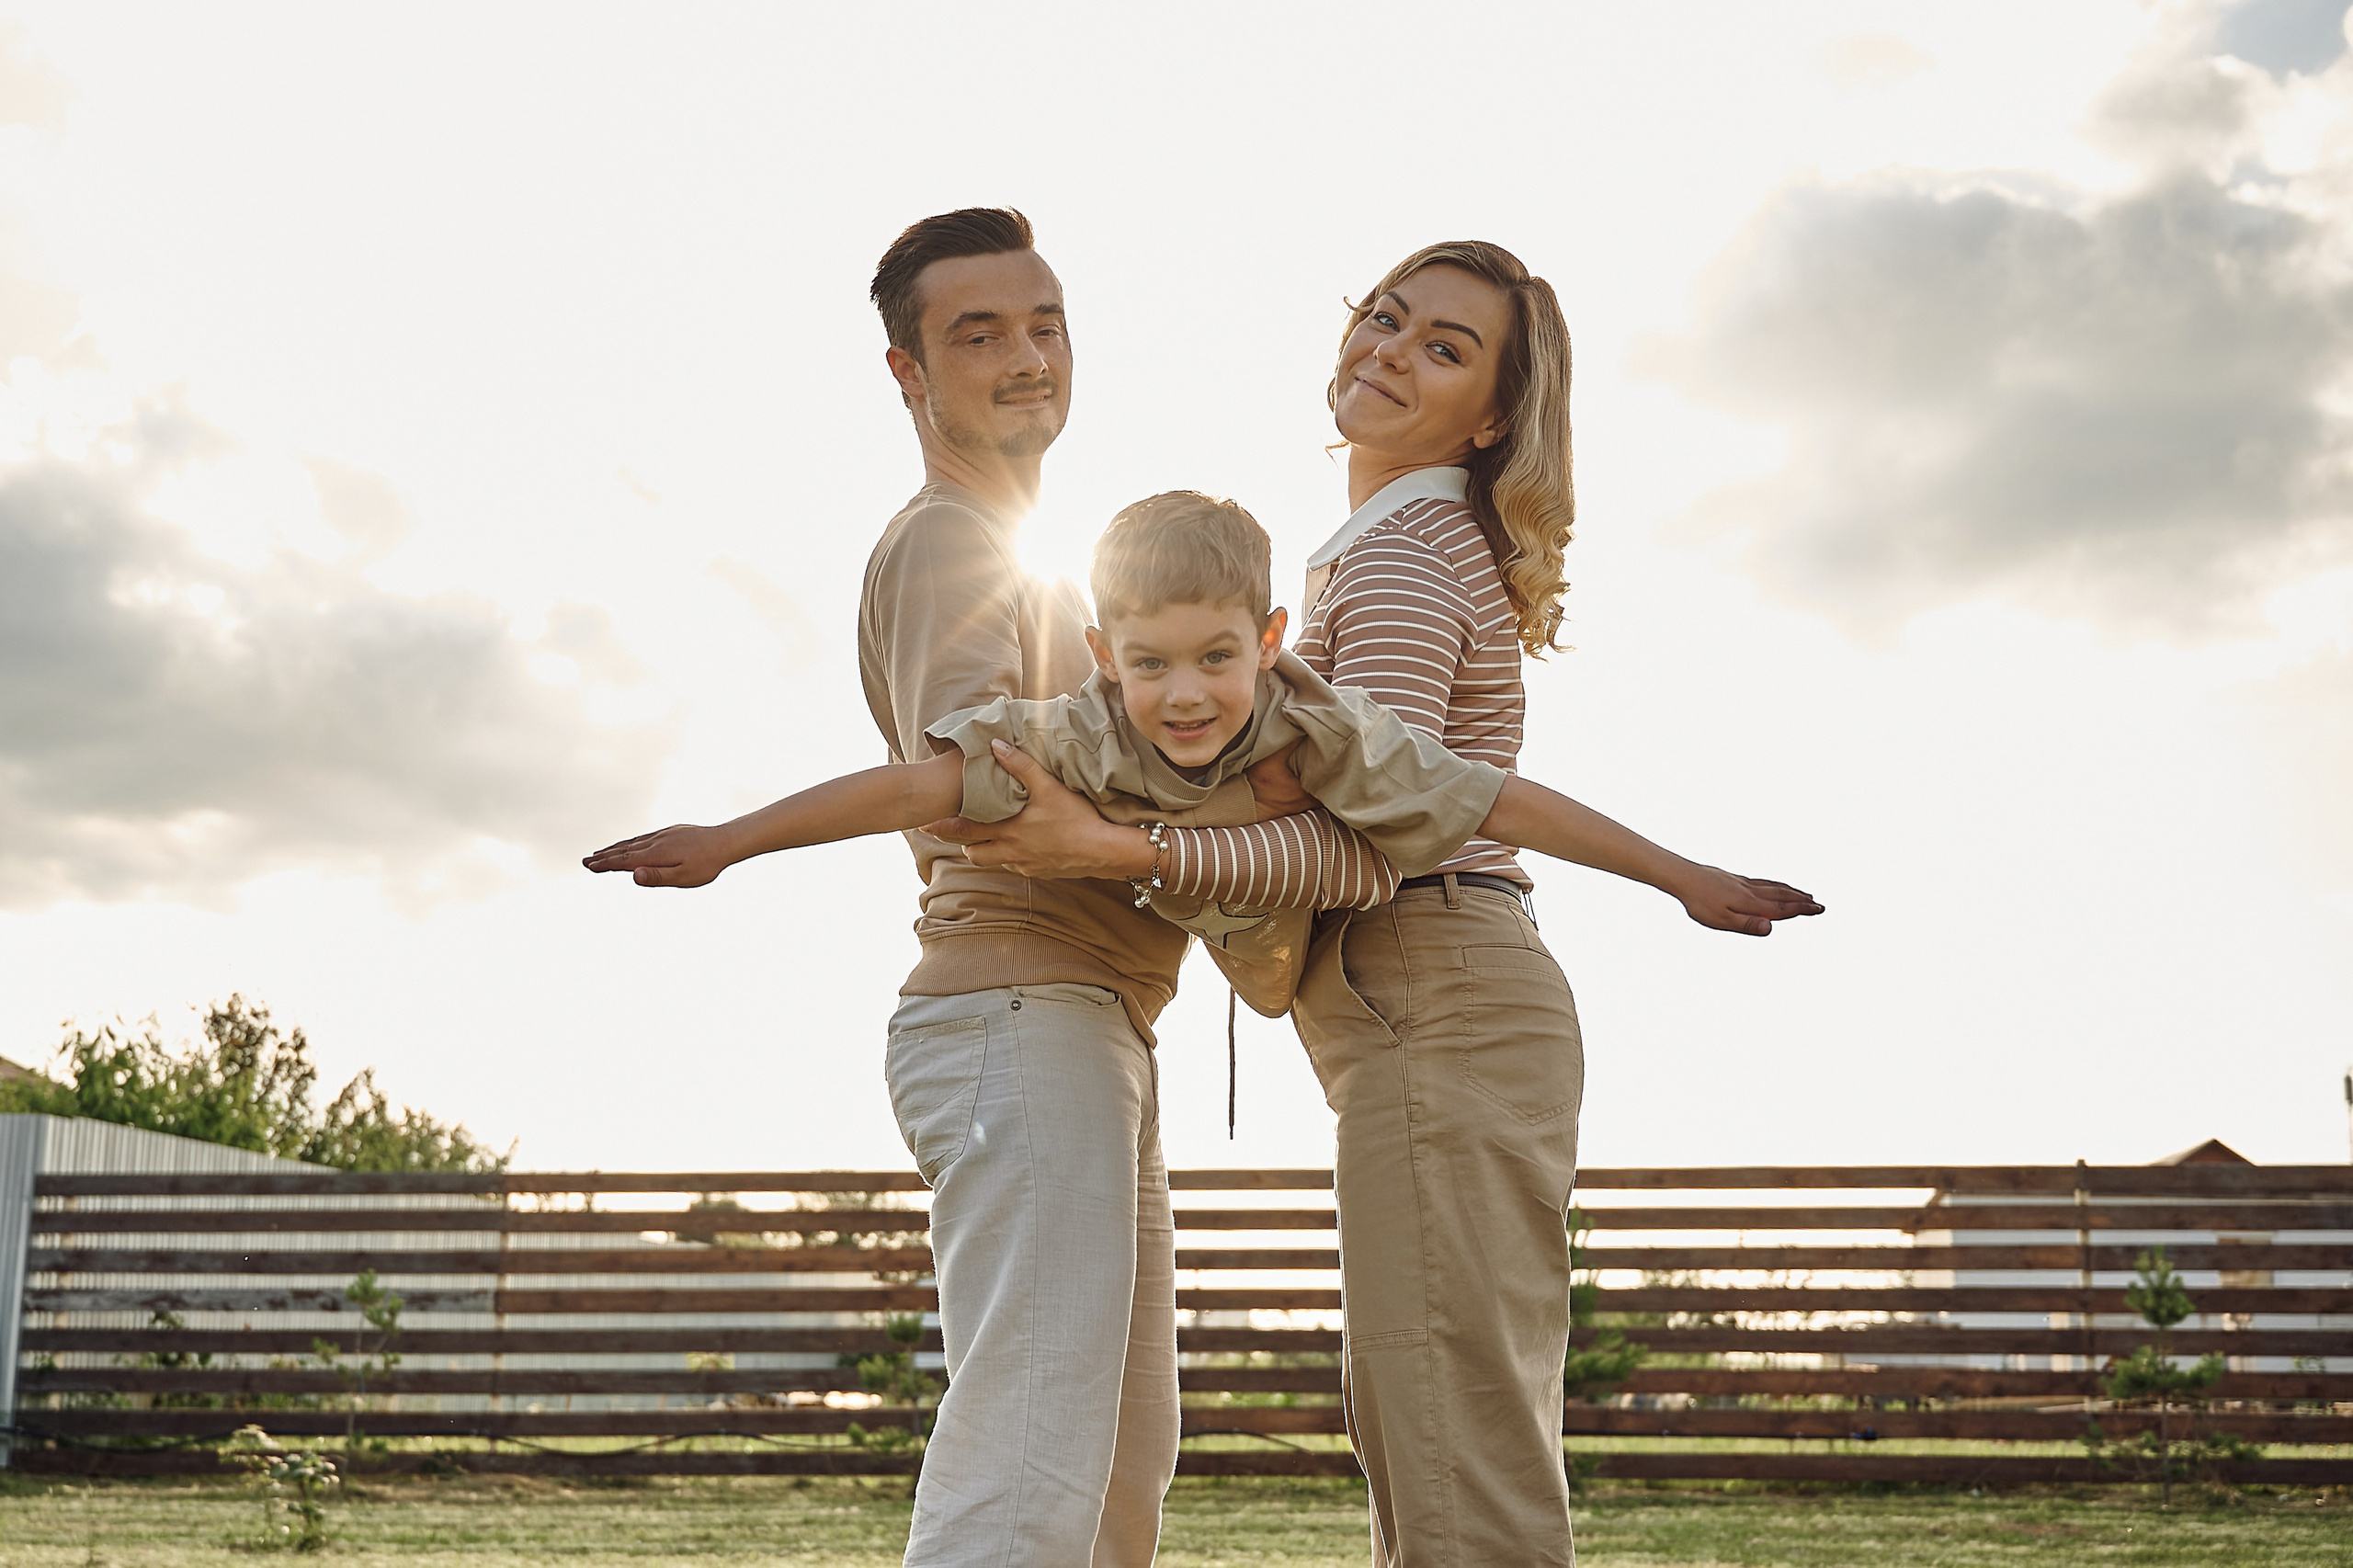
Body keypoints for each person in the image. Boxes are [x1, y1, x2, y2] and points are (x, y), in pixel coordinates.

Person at [927, 239, 1818, 1566]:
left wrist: (1119, 852)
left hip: (1439, 978)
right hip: (1430, 1001)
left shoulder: (1400, 556)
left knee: (1453, 1448)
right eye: (1388, 320)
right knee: (1432, 1421)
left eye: (1446, 348)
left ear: (1496, 415)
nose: (1392, 351)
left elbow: (1372, 852)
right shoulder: (1377, 549)